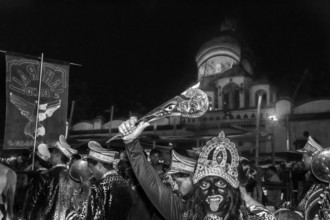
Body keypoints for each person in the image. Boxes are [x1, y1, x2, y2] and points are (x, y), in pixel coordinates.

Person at [119, 116, 276, 220]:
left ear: (232, 187)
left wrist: (246, 198)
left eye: (221, 184)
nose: (212, 192)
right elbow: (153, 186)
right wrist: (132, 144)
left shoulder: (247, 217)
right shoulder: (185, 215)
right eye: (205, 185)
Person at [68, 141, 132, 220]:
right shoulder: (123, 182)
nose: (90, 171)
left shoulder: (98, 187)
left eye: (90, 167)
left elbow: (87, 217)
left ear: (99, 164)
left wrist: (73, 215)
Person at [30, 135, 80, 220]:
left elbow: (34, 201)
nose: (51, 155)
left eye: (53, 152)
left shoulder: (45, 175)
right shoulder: (75, 178)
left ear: (57, 155)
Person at [21, 143, 51, 220]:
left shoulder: (39, 175)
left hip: (35, 214)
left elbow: (34, 198)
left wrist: (28, 215)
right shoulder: (49, 174)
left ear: (36, 162)